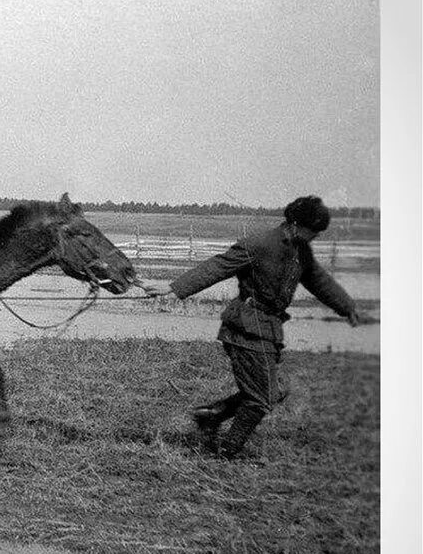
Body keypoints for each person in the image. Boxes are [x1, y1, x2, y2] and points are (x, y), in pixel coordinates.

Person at [143, 196, 364, 459]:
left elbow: (318, 280)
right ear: (295, 224)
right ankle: (226, 452)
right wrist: (174, 288)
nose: (315, 237)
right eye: (312, 231)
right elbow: (218, 266)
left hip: (269, 329)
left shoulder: (301, 250)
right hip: (244, 328)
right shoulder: (259, 244)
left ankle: (212, 416)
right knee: (261, 398)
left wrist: (347, 306)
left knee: (276, 390)